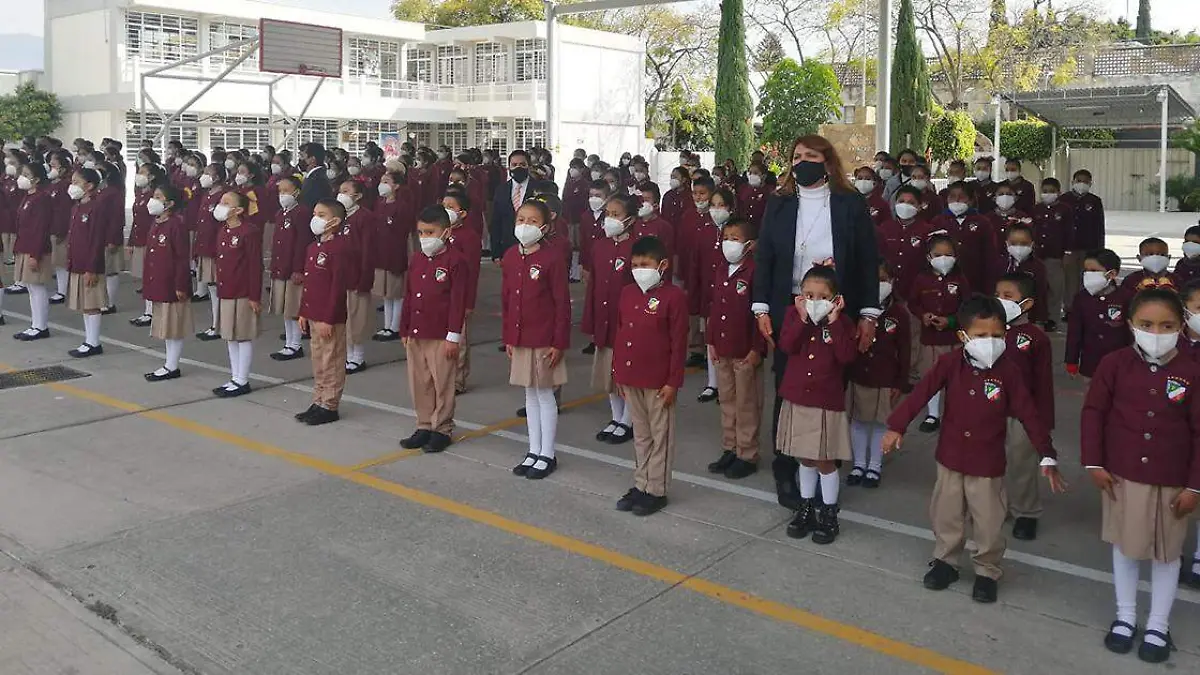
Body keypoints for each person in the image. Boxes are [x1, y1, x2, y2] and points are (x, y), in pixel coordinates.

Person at [884, 295, 1066, 604]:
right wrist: (896, 426)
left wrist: (1046, 452)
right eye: (981, 336)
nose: (990, 342)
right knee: (946, 514)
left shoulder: (1009, 372)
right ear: (963, 336)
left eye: (997, 335)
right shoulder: (949, 363)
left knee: (989, 521)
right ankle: (946, 561)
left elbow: (1028, 414)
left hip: (987, 464)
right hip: (951, 458)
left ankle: (987, 570)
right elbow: (921, 393)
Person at [752, 134, 881, 510]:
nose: (801, 161)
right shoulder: (778, 203)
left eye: (810, 155)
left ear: (827, 162)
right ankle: (787, 465)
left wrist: (869, 314)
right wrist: (762, 310)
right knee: (787, 388)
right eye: (795, 156)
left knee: (828, 387)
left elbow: (868, 261)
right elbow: (765, 260)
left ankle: (825, 465)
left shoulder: (848, 202)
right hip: (789, 308)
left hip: (836, 308)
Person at [1082, 288, 1200, 664]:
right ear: (1131, 325)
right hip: (1123, 476)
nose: (1156, 331)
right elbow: (1093, 414)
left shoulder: (1192, 371)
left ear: (1181, 327)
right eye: (1147, 324)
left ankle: (1158, 624)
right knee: (1125, 547)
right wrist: (1094, 463)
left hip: (1172, 480)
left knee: (1166, 556)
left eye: (1166, 325)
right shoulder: (1113, 364)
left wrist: (1195, 485)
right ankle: (1126, 616)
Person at [776, 266, 858, 543]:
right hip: (799, 396)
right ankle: (806, 506)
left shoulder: (842, 324)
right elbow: (786, 345)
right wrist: (801, 318)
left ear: (835, 300)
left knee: (824, 459)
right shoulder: (793, 316)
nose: (814, 301)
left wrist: (834, 322)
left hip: (825, 400)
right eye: (808, 294)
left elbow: (847, 356)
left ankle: (829, 513)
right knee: (805, 455)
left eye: (822, 296)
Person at [612, 235, 687, 517]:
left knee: (660, 435)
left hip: (658, 380)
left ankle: (657, 489)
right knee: (641, 434)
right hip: (631, 375)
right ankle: (641, 483)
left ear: (662, 265)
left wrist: (672, 381)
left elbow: (678, 343)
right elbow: (621, 333)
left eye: (646, 264)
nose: (639, 269)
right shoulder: (628, 293)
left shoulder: (674, 297)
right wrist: (618, 371)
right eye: (635, 264)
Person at [504, 199, 570, 480]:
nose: (525, 226)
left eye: (532, 221)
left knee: (544, 394)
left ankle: (548, 453)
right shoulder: (510, 256)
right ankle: (533, 449)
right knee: (529, 393)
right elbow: (507, 300)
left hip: (544, 337)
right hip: (520, 337)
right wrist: (508, 336)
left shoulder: (552, 258)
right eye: (521, 220)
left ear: (544, 227)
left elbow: (561, 303)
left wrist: (559, 342)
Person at [398, 206, 469, 453]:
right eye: (421, 232)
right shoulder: (417, 259)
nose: (425, 238)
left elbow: (457, 301)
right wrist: (404, 328)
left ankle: (442, 428)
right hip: (417, 331)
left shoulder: (456, 261)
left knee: (443, 383)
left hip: (441, 334)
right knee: (420, 381)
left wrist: (453, 335)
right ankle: (424, 424)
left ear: (446, 232)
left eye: (430, 232)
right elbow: (408, 295)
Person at [705, 217, 767, 480]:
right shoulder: (721, 269)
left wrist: (757, 349)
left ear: (749, 244)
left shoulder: (755, 271)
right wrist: (710, 340)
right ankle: (730, 447)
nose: (729, 243)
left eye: (736, 238)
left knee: (746, 404)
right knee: (727, 401)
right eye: (726, 237)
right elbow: (714, 307)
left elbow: (762, 314)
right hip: (722, 348)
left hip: (745, 352)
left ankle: (747, 453)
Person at [995, 272, 1054, 541]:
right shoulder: (988, 330)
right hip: (992, 409)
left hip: (1022, 414)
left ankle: (1026, 513)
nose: (1000, 301)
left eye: (1008, 296)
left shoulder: (1035, 338)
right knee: (991, 462)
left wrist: (1043, 422)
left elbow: (1043, 383)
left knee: (1021, 463)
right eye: (997, 296)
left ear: (1026, 304)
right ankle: (995, 507)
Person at [846, 261, 910, 489]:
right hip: (859, 374)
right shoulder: (857, 308)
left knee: (880, 423)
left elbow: (904, 351)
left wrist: (901, 382)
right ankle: (858, 464)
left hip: (885, 377)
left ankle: (874, 465)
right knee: (858, 421)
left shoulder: (899, 314)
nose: (878, 285)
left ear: (892, 282)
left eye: (883, 279)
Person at [586, 194, 640, 445]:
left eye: (616, 215)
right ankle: (616, 417)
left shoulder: (638, 248)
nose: (610, 219)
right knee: (609, 372)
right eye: (608, 214)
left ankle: (628, 421)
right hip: (604, 319)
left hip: (627, 322)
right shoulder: (600, 246)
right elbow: (593, 286)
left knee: (627, 374)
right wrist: (590, 319)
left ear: (629, 219)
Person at [296, 200, 353, 426]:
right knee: (318, 360)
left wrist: (329, 318)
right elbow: (310, 284)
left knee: (332, 360)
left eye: (321, 214)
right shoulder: (313, 248)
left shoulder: (339, 248)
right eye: (315, 213)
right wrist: (303, 312)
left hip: (329, 317)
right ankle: (318, 399)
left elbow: (337, 287)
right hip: (313, 313)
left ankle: (330, 404)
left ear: (335, 221)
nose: (316, 218)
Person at [908, 235, 969, 431]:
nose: (944, 258)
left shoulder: (960, 279)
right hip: (930, 340)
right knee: (931, 377)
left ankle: (954, 413)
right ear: (929, 257)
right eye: (938, 254)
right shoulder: (921, 279)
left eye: (949, 254)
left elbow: (967, 307)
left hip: (953, 339)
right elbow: (913, 303)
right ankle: (933, 414)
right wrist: (923, 315)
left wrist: (951, 321)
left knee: (955, 378)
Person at [140, 184, 193, 381]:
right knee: (165, 326)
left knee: (173, 327)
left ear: (169, 204)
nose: (153, 200)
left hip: (171, 283)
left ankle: (172, 365)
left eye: (158, 196)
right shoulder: (157, 222)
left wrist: (181, 284)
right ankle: (168, 363)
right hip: (158, 281)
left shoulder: (176, 224)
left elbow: (181, 258)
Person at [212, 191, 261, 398]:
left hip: (242, 292)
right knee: (230, 335)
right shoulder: (223, 230)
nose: (221, 205)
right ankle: (234, 376)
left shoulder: (249, 231)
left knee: (243, 336)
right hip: (227, 290)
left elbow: (254, 265)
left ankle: (243, 379)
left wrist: (254, 296)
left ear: (239, 210)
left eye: (226, 203)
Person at [692, 186, 736, 402]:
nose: (716, 210)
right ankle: (712, 383)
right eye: (713, 205)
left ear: (730, 208)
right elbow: (697, 264)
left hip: (730, 296)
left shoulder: (737, 232)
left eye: (721, 206)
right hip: (708, 293)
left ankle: (728, 384)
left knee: (729, 337)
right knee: (711, 337)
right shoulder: (704, 231)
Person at [64, 167, 111, 357]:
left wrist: (91, 268)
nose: (72, 186)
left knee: (92, 304)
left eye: (77, 182)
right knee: (85, 304)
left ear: (90, 186)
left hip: (89, 265)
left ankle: (94, 343)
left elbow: (96, 240)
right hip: (77, 262)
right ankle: (88, 340)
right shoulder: (76, 207)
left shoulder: (96, 207)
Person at [1065, 248, 1132, 379]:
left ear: (1111, 274)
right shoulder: (1081, 298)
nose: (1088, 274)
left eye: (1094, 271)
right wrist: (1071, 360)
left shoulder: (1126, 297)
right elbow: (1074, 332)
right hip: (1091, 363)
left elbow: (1131, 333)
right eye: (1086, 271)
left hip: (1120, 362)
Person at [267, 176, 314, 361]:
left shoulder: (301, 213)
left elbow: (302, 243)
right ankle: (289, 342)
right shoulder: (281, 213)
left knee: (294, 308)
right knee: (286, 308)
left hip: (293, 268)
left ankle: (295, 345)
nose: (282, 195)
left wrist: (298, 269)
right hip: (281, 266)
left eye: (286, 191)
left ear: (296, 192)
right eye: (280, 191)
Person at [10, 161, 53, 340]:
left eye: (26, 175)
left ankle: (41, 326)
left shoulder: (42, 198)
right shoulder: (28, 197)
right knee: (30, 287)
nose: (22, 178)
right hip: (24, 247)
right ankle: (35, 324)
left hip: (35, 249)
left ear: (35, 179)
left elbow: (40, 229)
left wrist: (35, 254)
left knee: (36, 287)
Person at [444, 189, 481, 393]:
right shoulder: (439, 232)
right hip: (441, 296)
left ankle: (458, 379)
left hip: (460, 297)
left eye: (451, 207)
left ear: (463, 213)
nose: (446, 210)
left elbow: (472, 272)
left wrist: (468, 303)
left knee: (460, 339)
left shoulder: (469, 237)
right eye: (443, 206)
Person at [679, 177, 717, 369]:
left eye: (702, 193)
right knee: (693, 311)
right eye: (695, 193)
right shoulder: (688, 216)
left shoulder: (716, 216)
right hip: (691, 271)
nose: (698, 197)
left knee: (708, 312)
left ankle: (711, 349)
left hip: (709, 272)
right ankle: (696, 350)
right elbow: (682, 244)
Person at [930, 181, 991, 298]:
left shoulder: (983, 222)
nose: (957, 200)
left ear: (971, 200)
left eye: (962, 197)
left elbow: (989, 255)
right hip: (944, 283)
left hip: (975, 282)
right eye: (952, 196)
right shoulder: (938, 221)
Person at [371, 170, 412, 342]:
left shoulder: (402, 206)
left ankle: (395, 326)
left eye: (387, 181)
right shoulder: (379, 203)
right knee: (386, 294)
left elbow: (403, 233)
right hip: (381, 253)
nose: (382, 184)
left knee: (396, 293)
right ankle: (387, 325)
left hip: (395, 253)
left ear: (396, 186)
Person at [1030, 178, 1073, 331]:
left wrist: (1067, 253)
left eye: (1052, 191)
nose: (1048, 194)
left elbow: (1069, 233)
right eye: (1045, 191)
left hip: (1056, 255)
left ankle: (1052, 318)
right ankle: (1040, 316)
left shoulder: (1065, 210)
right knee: (1040, 287)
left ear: (1058, 192)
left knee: (1056, 288)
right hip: (1038, 254)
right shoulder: (1036, 209)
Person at [192, 163, 229, 340]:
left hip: (216, 249)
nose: (203, 176)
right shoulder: (206, 195)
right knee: (212, 287)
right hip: (204, 247)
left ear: (216, 177)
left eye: (208, 173)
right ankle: (216, 323)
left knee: (216, 288)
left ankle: (218, 325)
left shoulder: (223, 197)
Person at [1060, 169, 1105, 314]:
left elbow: (1099, 226)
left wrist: (1099, 249)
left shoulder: (1094, 201)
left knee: (1085, 279)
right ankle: (1069, 308)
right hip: (1070, 247)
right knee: (1070, 280)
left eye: (1085, 181)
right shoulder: (1064, 199)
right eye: (1079, 180)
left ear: (1090, 183)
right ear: (1073, 182)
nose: (1082, 184)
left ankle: (1083, 308)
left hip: (1089, 247)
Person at [128, 162, 167, 325]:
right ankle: (148, 310)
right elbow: (136, 219)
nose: (139, 175)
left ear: (151, 176)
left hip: (150, 239)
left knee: (152, 276)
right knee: (145, 276)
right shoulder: (141, 194)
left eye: (143, 172)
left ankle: (151, 312)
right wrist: (130, 241)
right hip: (140, 239)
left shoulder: (154, 196)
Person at [987, 222, 1049, 325]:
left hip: (1029, 318)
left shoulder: (1038, 267)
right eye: (1014, 243)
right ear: (1007, 244)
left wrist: (1041, 319)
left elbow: (1041, 293)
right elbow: (991, 290)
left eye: (1024, 243)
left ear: (1032, 244)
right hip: (1001, 316)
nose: (1019, 247)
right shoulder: (999, 265)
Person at [489, 150, 531, 260]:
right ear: (509, 167)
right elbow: (496, 222)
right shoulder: (501, 190)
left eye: (522, 165)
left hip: (533, 246)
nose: (518, 168)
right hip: (507, 247)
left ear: (529, 166)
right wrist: (496, 252)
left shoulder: (538, 188)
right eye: (514, 165)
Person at [97, 162, 125, 315]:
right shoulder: (102, 191)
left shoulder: (113, 193)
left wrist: (113, 239)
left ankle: (110, 303)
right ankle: (103, 300)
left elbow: (116, 217)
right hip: (100, 236)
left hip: (109, 237)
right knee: (103, 270)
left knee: (111, 271)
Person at [46, 152, 74, 304]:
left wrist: (61, 230)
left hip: (60, 228)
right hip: (52, 226)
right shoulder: (52, 185)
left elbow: (64, 210)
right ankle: (61, 289)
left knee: (62, 261)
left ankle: (63, 291)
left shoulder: (64, 186)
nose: (51, 167)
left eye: (54, 165)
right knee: (57, 261)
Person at [298, 142, 333, 208]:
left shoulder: (317, 179)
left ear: (312, 159)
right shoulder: (313, 176)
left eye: (303, 156)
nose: (300, 160)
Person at [737, 162, 770, 230]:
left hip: (761, 228)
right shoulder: (742, 189)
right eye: (750, 173)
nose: (751, 175)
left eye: (755, 173)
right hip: (743, 228)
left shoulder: (770, 191)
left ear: (764, 175)